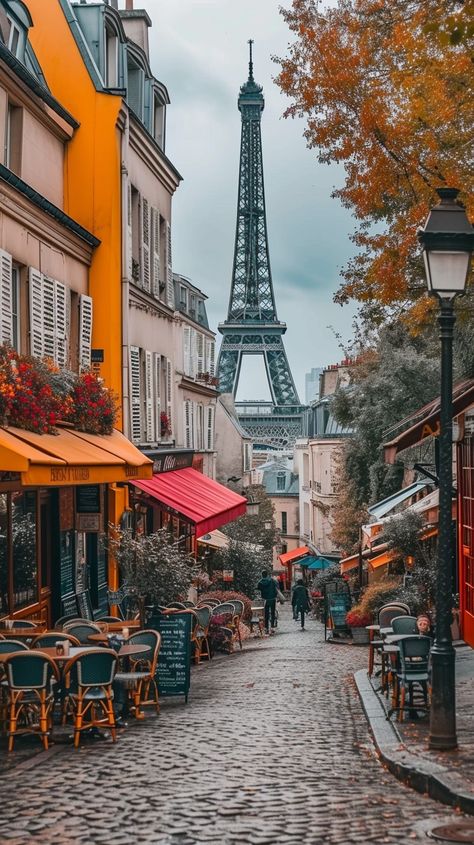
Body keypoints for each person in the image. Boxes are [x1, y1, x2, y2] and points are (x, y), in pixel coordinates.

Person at [257, 569, 278, 634]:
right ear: (267, 574)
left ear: (262, 575)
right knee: (272, 613)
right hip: (272, 599)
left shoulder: (260, 582)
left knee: (266, 614)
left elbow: (258, 589)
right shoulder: (272, 580)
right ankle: (272, 627)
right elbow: (276, 586)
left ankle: (266, 628)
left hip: (265, 599)